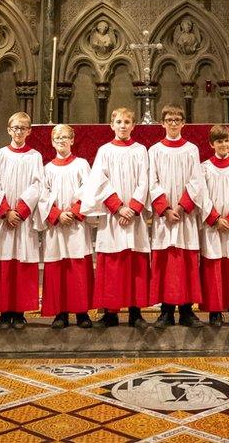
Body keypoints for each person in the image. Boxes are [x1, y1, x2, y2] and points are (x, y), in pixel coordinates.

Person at [81, 107, 151, 329]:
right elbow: (98, 181)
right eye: (119, 122)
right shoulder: (104, 151)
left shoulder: (141, 150)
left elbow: (144, 180)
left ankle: (135, 311)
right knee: (112, 264)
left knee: (135, 263)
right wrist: (118, 207)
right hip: (114, 217)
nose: (123, 125)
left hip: (134, 215)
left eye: (127, 122)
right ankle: (110, 312)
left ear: (133, 126)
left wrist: (134, 207)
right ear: (112, 125)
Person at [0, 112, 44, 329]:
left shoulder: (35, 156)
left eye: (23, 128)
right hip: (4, 219)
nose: (19, 132)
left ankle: (19, 312)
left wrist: (20, 210)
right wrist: (5, 211)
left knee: (22, 264)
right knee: (4, 264)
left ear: (29, 131)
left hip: (23, 220)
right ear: (9, 130)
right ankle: (4, 312)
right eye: (15, 128)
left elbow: (38, 184)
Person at [148, 105, 204, 329]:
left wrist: (181, 207)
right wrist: (165, 208)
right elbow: (152, 181)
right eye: (169, 119)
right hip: (164, 217)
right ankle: (166, 311)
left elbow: (196, 181)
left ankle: (187, 310)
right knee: (164, 262)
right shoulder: (154, 151)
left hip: (184, 216)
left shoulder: (192, 149)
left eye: (177, 119)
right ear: (162, 123)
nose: (173, 123)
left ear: (183, 123)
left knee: (186, 261)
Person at [38, 124, 93, 328]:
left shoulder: (81, 165)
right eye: (57, 137)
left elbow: (88, 190)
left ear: (72, 140)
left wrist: (74, 211)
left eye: (65, 137)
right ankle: (60, 313)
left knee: (77, 268)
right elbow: (42, 196)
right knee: (57, 267)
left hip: (76, 225)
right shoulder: (47, 169)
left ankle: (82, 312)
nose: (61, 141)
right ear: (52, 142)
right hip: (57, 226)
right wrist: (57, 215)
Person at [195, 125, 229, 327]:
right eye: (219, 141)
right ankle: (215, 311)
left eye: (226, 140)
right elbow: (203, 196)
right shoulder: (204, 168)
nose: (223, 145)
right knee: (214, 266)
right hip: (213, 226)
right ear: (211, 144)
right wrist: (215, 219)